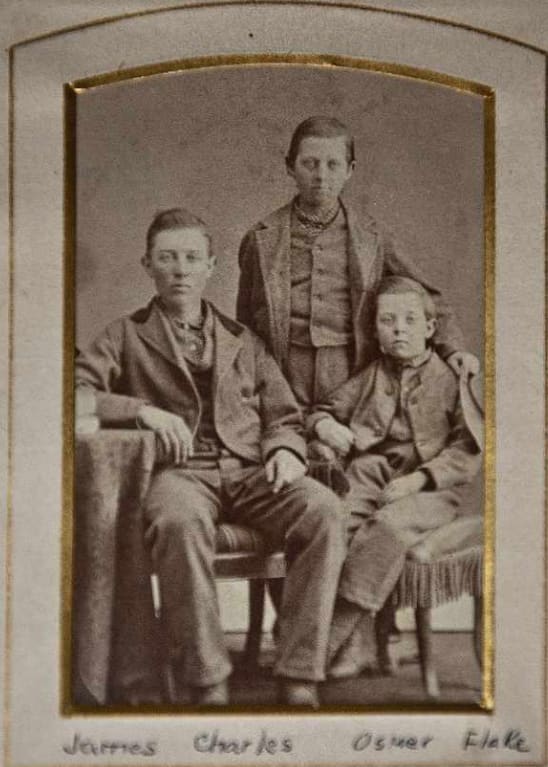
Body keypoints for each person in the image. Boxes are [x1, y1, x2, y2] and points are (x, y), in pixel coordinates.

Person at [75, 208, 347, 708]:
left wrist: (285, 451)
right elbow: (75, 393)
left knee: (324, 510)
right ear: (147, 265)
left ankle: (299, 673)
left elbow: (283, 415)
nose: (180, 269)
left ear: (211, 266)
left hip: (251, 471)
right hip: (178, 474)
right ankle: (207, 679)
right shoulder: (124, 334)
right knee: (177, 523)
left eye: (191, 257)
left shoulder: (243, 339)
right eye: (167, 258)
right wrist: (142, 411)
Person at [236, 115, 478, 414]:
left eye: (333, 165)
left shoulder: (372, 237)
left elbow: (428, 295)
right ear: (290, 167)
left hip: (353, 376)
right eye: (310, 163)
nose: (321, 175)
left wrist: (453, 348)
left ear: (350, 170)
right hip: (282, 374)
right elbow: (244, 322)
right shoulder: (261, 238)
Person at [308, 275, 483, 677]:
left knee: (387, 526)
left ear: (430, 327)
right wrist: (324, 426)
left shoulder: (451, 379)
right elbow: (324, 410)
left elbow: (468, 447)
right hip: (370, 473)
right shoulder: (372, 375)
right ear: (375, 331)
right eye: (388, 320)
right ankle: (353, 643)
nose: (399, 329)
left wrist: (419, 480)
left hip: (432, 489)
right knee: (334, 521)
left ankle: (333, 636)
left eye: (409, 320)